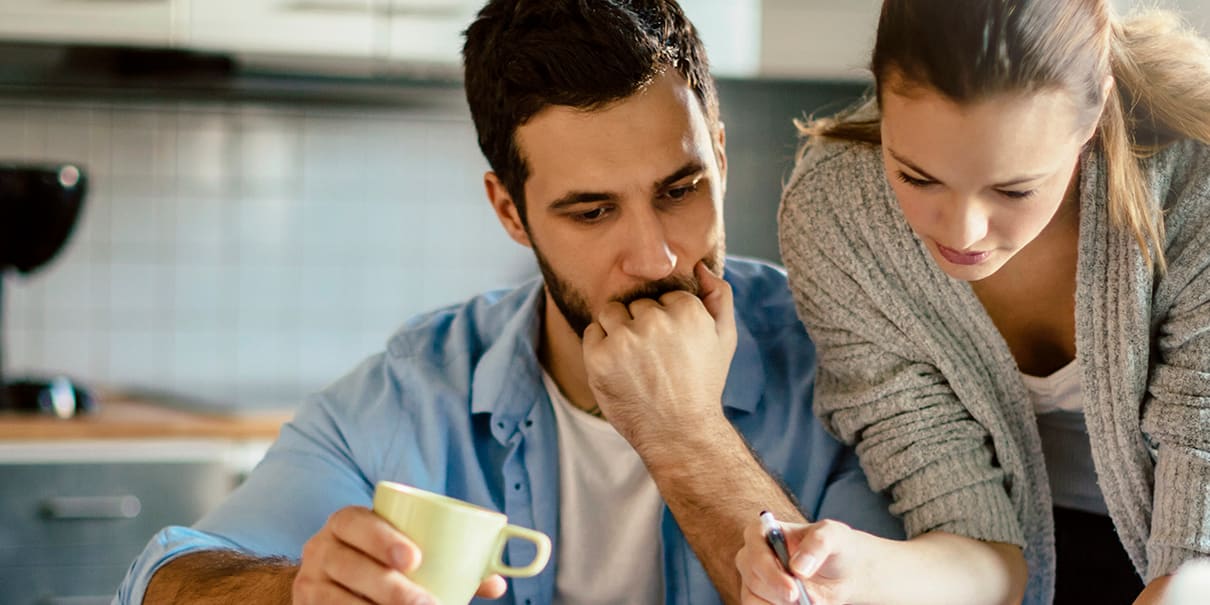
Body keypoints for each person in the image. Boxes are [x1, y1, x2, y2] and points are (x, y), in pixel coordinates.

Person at [114, 1, 904, 604]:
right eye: (592, 211)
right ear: (510, 211)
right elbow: (164, 576)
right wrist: (296, 591)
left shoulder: (847, 364)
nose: (656, 253)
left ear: (721, 158)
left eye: (681, 187)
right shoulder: (420, 388)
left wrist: (687, 434)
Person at [735, 1, 1210, 604]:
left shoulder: (1198, 181)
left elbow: (1199, 534)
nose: (962, 235)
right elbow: (974, 542)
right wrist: (858, 574)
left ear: (1094, 114)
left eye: (1014, 189)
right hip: (1033, 546)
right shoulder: (838, 215)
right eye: (916, 177)